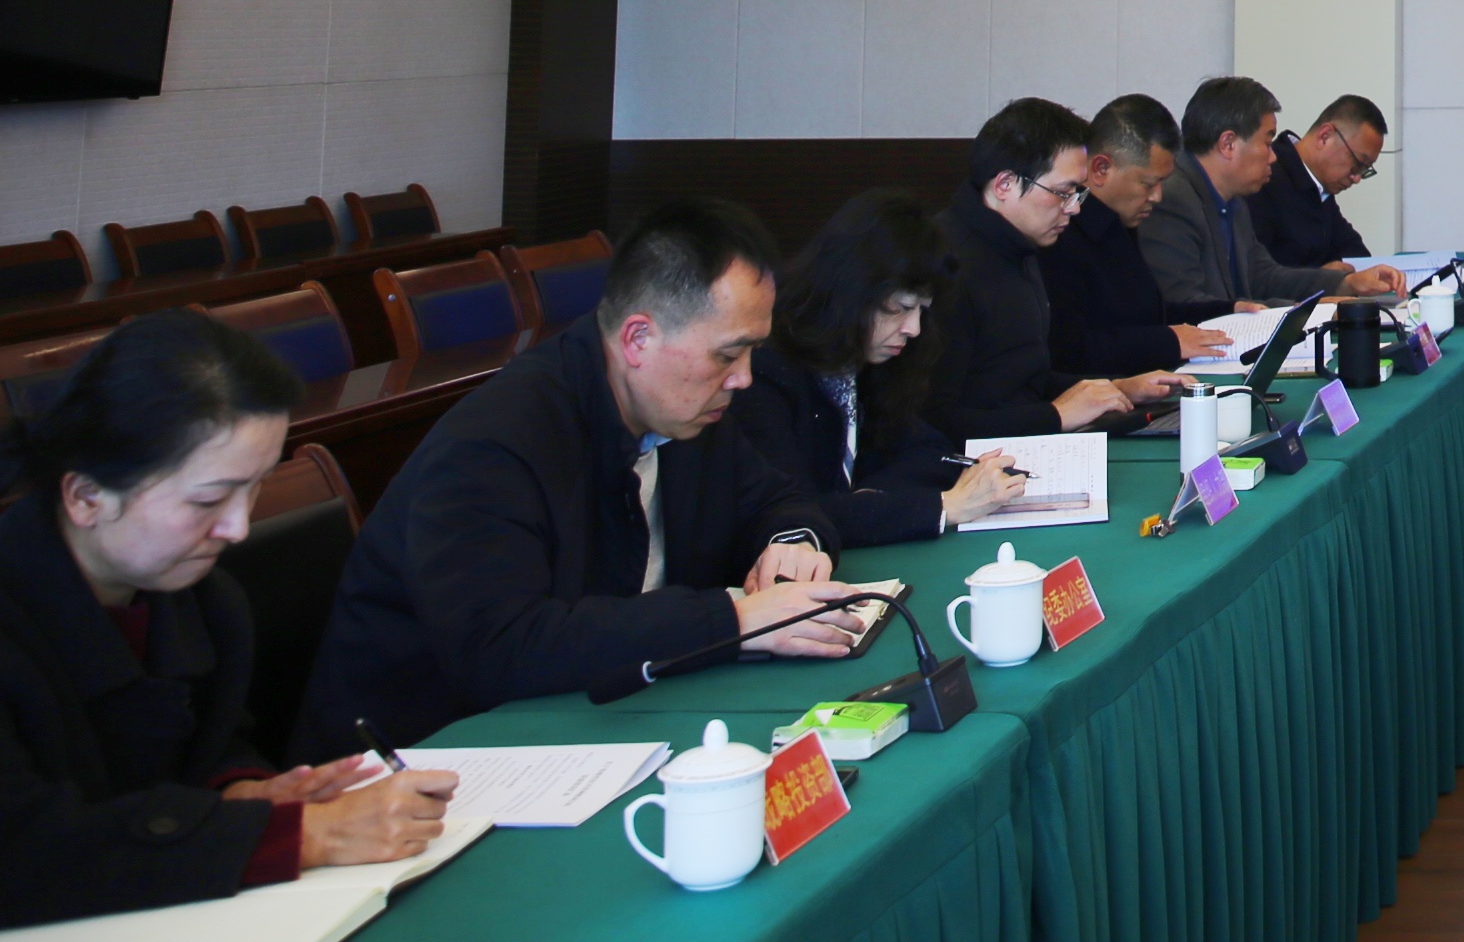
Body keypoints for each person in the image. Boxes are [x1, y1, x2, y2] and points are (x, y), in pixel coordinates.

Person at [297, 200, 866, 757]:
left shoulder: (685, 409)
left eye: (752, 352)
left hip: (597, 716)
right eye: (728, 355)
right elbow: (500, 647)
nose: (744, 378)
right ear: (638, 339)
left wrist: (792, 542)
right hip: (425, 757)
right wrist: (732, 620)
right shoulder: (496, 443)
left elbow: (777, 497)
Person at [0, 312, 457, 915]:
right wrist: (306, 836)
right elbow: (24, 851)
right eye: (209, 500)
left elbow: (212, 747)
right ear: (86, 496)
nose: (238, 528)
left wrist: (246, 793)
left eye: (257, 485)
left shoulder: (207, 602)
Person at [730, 193, 1032, 548]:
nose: (913, 328)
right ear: (852, 291)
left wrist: (869, 500)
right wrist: (944, 506)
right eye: (900, 308)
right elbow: (793, 513)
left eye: (921, 310)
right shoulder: (764, 370)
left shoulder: (868, 358)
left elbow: (924, 449)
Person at [932, 98, 1163, 442]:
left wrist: (1114, 388)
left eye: (1078, 193)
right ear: (1005, 185)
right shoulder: (944, 265)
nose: (1073, 208)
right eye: (1062, 192)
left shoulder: (1019, 246)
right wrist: (1056, 415)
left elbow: (1027, 378)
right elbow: (935, 423)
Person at [1144, 77, 1405, 325]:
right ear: (1228, 144)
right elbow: (1186, 308)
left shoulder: (1234, 202)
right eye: (1267, 143)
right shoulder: (1171, 199)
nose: (1273, 157)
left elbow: (1265, 276)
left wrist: (1344, 283)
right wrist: (1308, 311)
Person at [1047, 94, 1232, 378]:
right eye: (1148, 184)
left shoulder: (1119, 224)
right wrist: (1167, 342)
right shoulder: (1060, 233)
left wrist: (1229, 310)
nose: (1157, 197)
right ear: (1101, 169)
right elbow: (1069, 351)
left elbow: (1148, 316)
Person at [1252, 97, 1390, 274]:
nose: (1356, 178)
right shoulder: (1264, 180)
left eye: (1365, 170)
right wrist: (1320, 279)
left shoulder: (1319, 188)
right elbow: (1258, 276)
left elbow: (1355, 254)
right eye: (1357, 164)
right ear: (1325, 137)